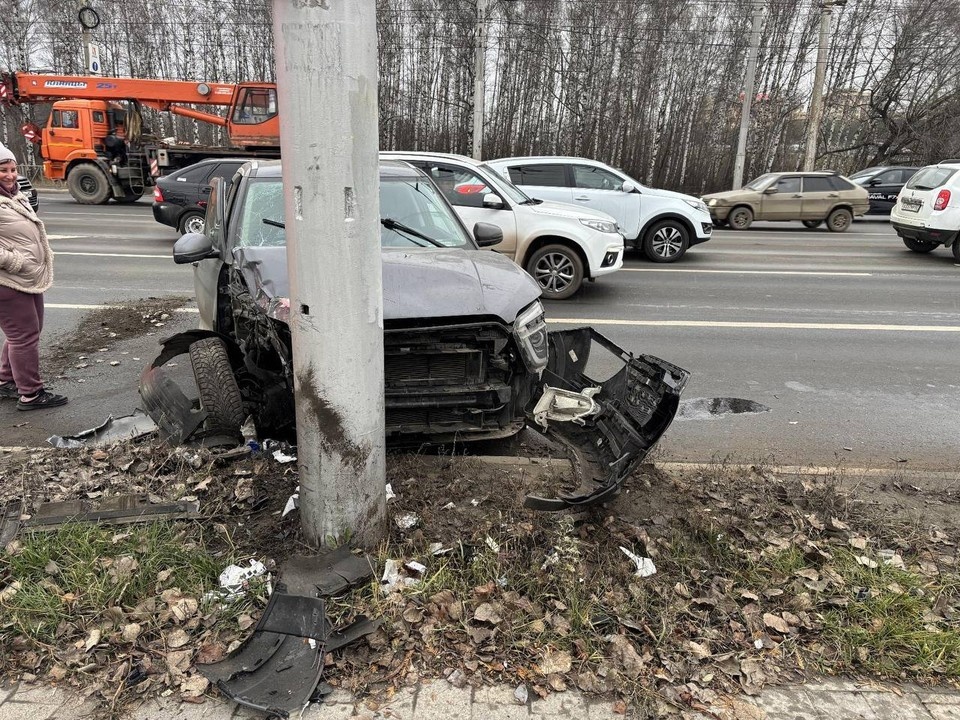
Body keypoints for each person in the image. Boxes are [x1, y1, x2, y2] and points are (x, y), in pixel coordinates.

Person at [0, 144, 67, 409]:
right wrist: (15, 261)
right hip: (8, 280)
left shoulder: (15, 196)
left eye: (13, 169)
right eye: (3, 170)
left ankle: (6, 380)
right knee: (23, 336)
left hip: (27, 277)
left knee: (28, 331)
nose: (10, 175)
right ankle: (31, 393)